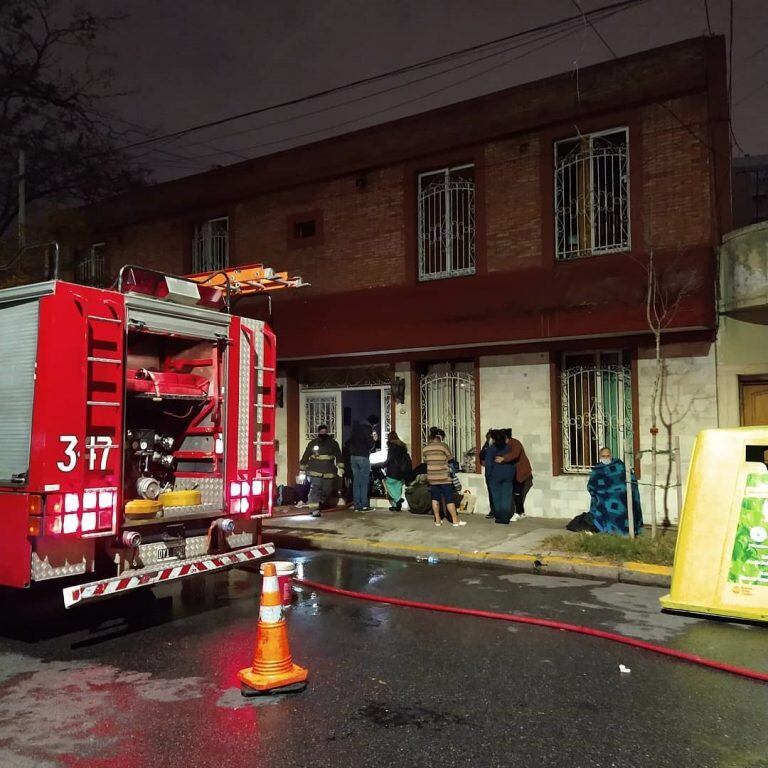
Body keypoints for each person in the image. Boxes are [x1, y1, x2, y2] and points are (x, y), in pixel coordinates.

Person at [582, 446, 643, 535]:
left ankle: (623, 531)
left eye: (607, 456)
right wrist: (600, 492)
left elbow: (631, 480)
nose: (606, 458)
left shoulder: (619, 465)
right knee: (603, 504)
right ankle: (607, 529)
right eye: (604, 456)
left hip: (621, 496)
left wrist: (622, 491)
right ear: (600, 456)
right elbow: (592, 485)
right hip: (603, 497)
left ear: (611, 455)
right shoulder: (598, 469)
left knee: (619, 505)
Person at [422, 426, 466, 528]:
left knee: (435, 498)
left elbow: (425, 460)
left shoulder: (425, 448)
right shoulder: (443, 446)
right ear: (440, 437)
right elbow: (450, 457)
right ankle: (455, 521)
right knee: (449, 499)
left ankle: (437, 520)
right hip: (444, 477)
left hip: (432, 477)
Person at [299, 424, 344, 518]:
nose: (323, 433)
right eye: (321, 432)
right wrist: (302, 468)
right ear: (318, 432)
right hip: (314, 470)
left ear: (327, 432)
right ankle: (314, 509)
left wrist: (341, 467)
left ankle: (318, 503)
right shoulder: (313, 443)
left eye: (325, 431)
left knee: (327, 490)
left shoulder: (333, 443)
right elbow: (306, 454)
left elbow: (338, 455)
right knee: (315, 489)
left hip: (328, 471)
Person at [494, 428, 533, 521]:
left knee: (517, 492)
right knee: (516, 492)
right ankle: (521, 512)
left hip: (521, 472)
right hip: (513, 472)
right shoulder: (504, 445)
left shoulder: (515, 443)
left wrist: (503, 459)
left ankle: (518, 512)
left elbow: (514, 454)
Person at [485, 430, 516, 524]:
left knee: (496, 496)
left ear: (494, 439)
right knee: (506, 496)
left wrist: (488, 475)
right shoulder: (509, 448)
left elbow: (488, 463)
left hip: (495, 474)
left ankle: (499, 516)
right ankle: (505, 517)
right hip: (508, 474)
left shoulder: (491, 449)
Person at [349, 414, 378, 512]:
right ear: (373, 424)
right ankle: (364, 505)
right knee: (364, 482)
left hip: (353, 457)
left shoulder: (356, 428)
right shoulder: (368, 429)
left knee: (356, 482)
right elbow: (370, 445)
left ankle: (357, 505)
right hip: (363, 457)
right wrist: (374, 440)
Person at [383, 431, 411, 511]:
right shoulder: (402, 446)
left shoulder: (392, 446)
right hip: (401, 470)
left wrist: (384, 464)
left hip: (393, 470)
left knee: (389, 484)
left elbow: (390, 458)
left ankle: (398, 500)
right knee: (398, 486)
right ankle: (397, 506)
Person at [479, 430, 496, 520]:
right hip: (489, 473)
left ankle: (500, 511)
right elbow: (481, 455)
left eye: (490, 438)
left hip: (497, 472)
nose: (489, 440)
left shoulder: (499, 446)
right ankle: (493, 510)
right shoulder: (486, 446)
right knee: (491, 492)